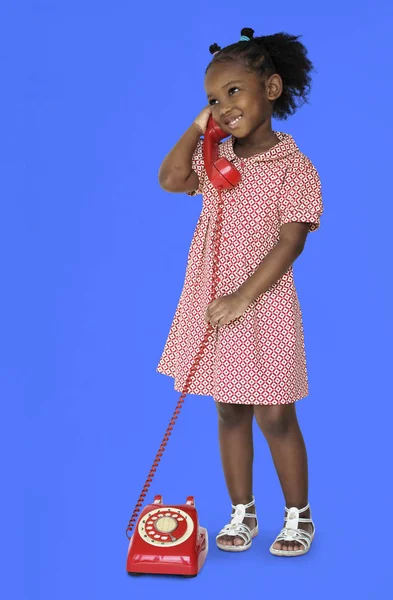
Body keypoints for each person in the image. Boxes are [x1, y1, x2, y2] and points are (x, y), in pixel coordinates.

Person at [156, 27, 324, 557]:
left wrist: (243, 298)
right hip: (213, 306)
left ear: (271, 89)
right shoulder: (216, 159)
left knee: (274, 413)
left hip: (262, 306)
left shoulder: (292, 167)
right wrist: (197, 127)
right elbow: (169, 178)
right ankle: (242, 510)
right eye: (212, 97)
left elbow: (290, 243)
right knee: (229, 409)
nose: (223, 106)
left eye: (234, 91)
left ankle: (298, 517)